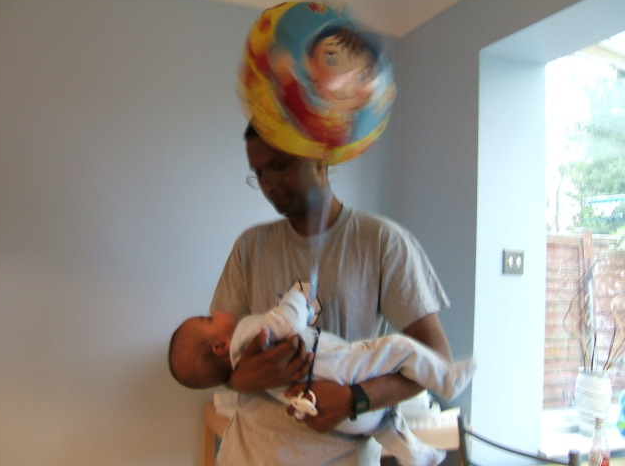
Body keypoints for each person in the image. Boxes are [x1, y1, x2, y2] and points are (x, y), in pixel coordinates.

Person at [207, 122, 457, 465]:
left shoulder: (383, 243)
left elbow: (438, 361)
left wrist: (356, 399)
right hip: (247, 455)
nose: (268, 183)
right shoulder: (251, 247)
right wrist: (240, 378)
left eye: (280, 166)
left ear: (321, 158)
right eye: (259, 173)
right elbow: (214, 354)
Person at [170, 285, 475, 466]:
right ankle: (447, 381)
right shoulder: (245, 332)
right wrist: (296, 297)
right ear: (221, 346)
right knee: (398, 348)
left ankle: (416, 455)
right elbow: (285, 322)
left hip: (337, 414)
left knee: (384, 422)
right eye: (208, 319)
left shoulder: (387, 242)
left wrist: (356, 399)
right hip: (333, 370)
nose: (216, 312)